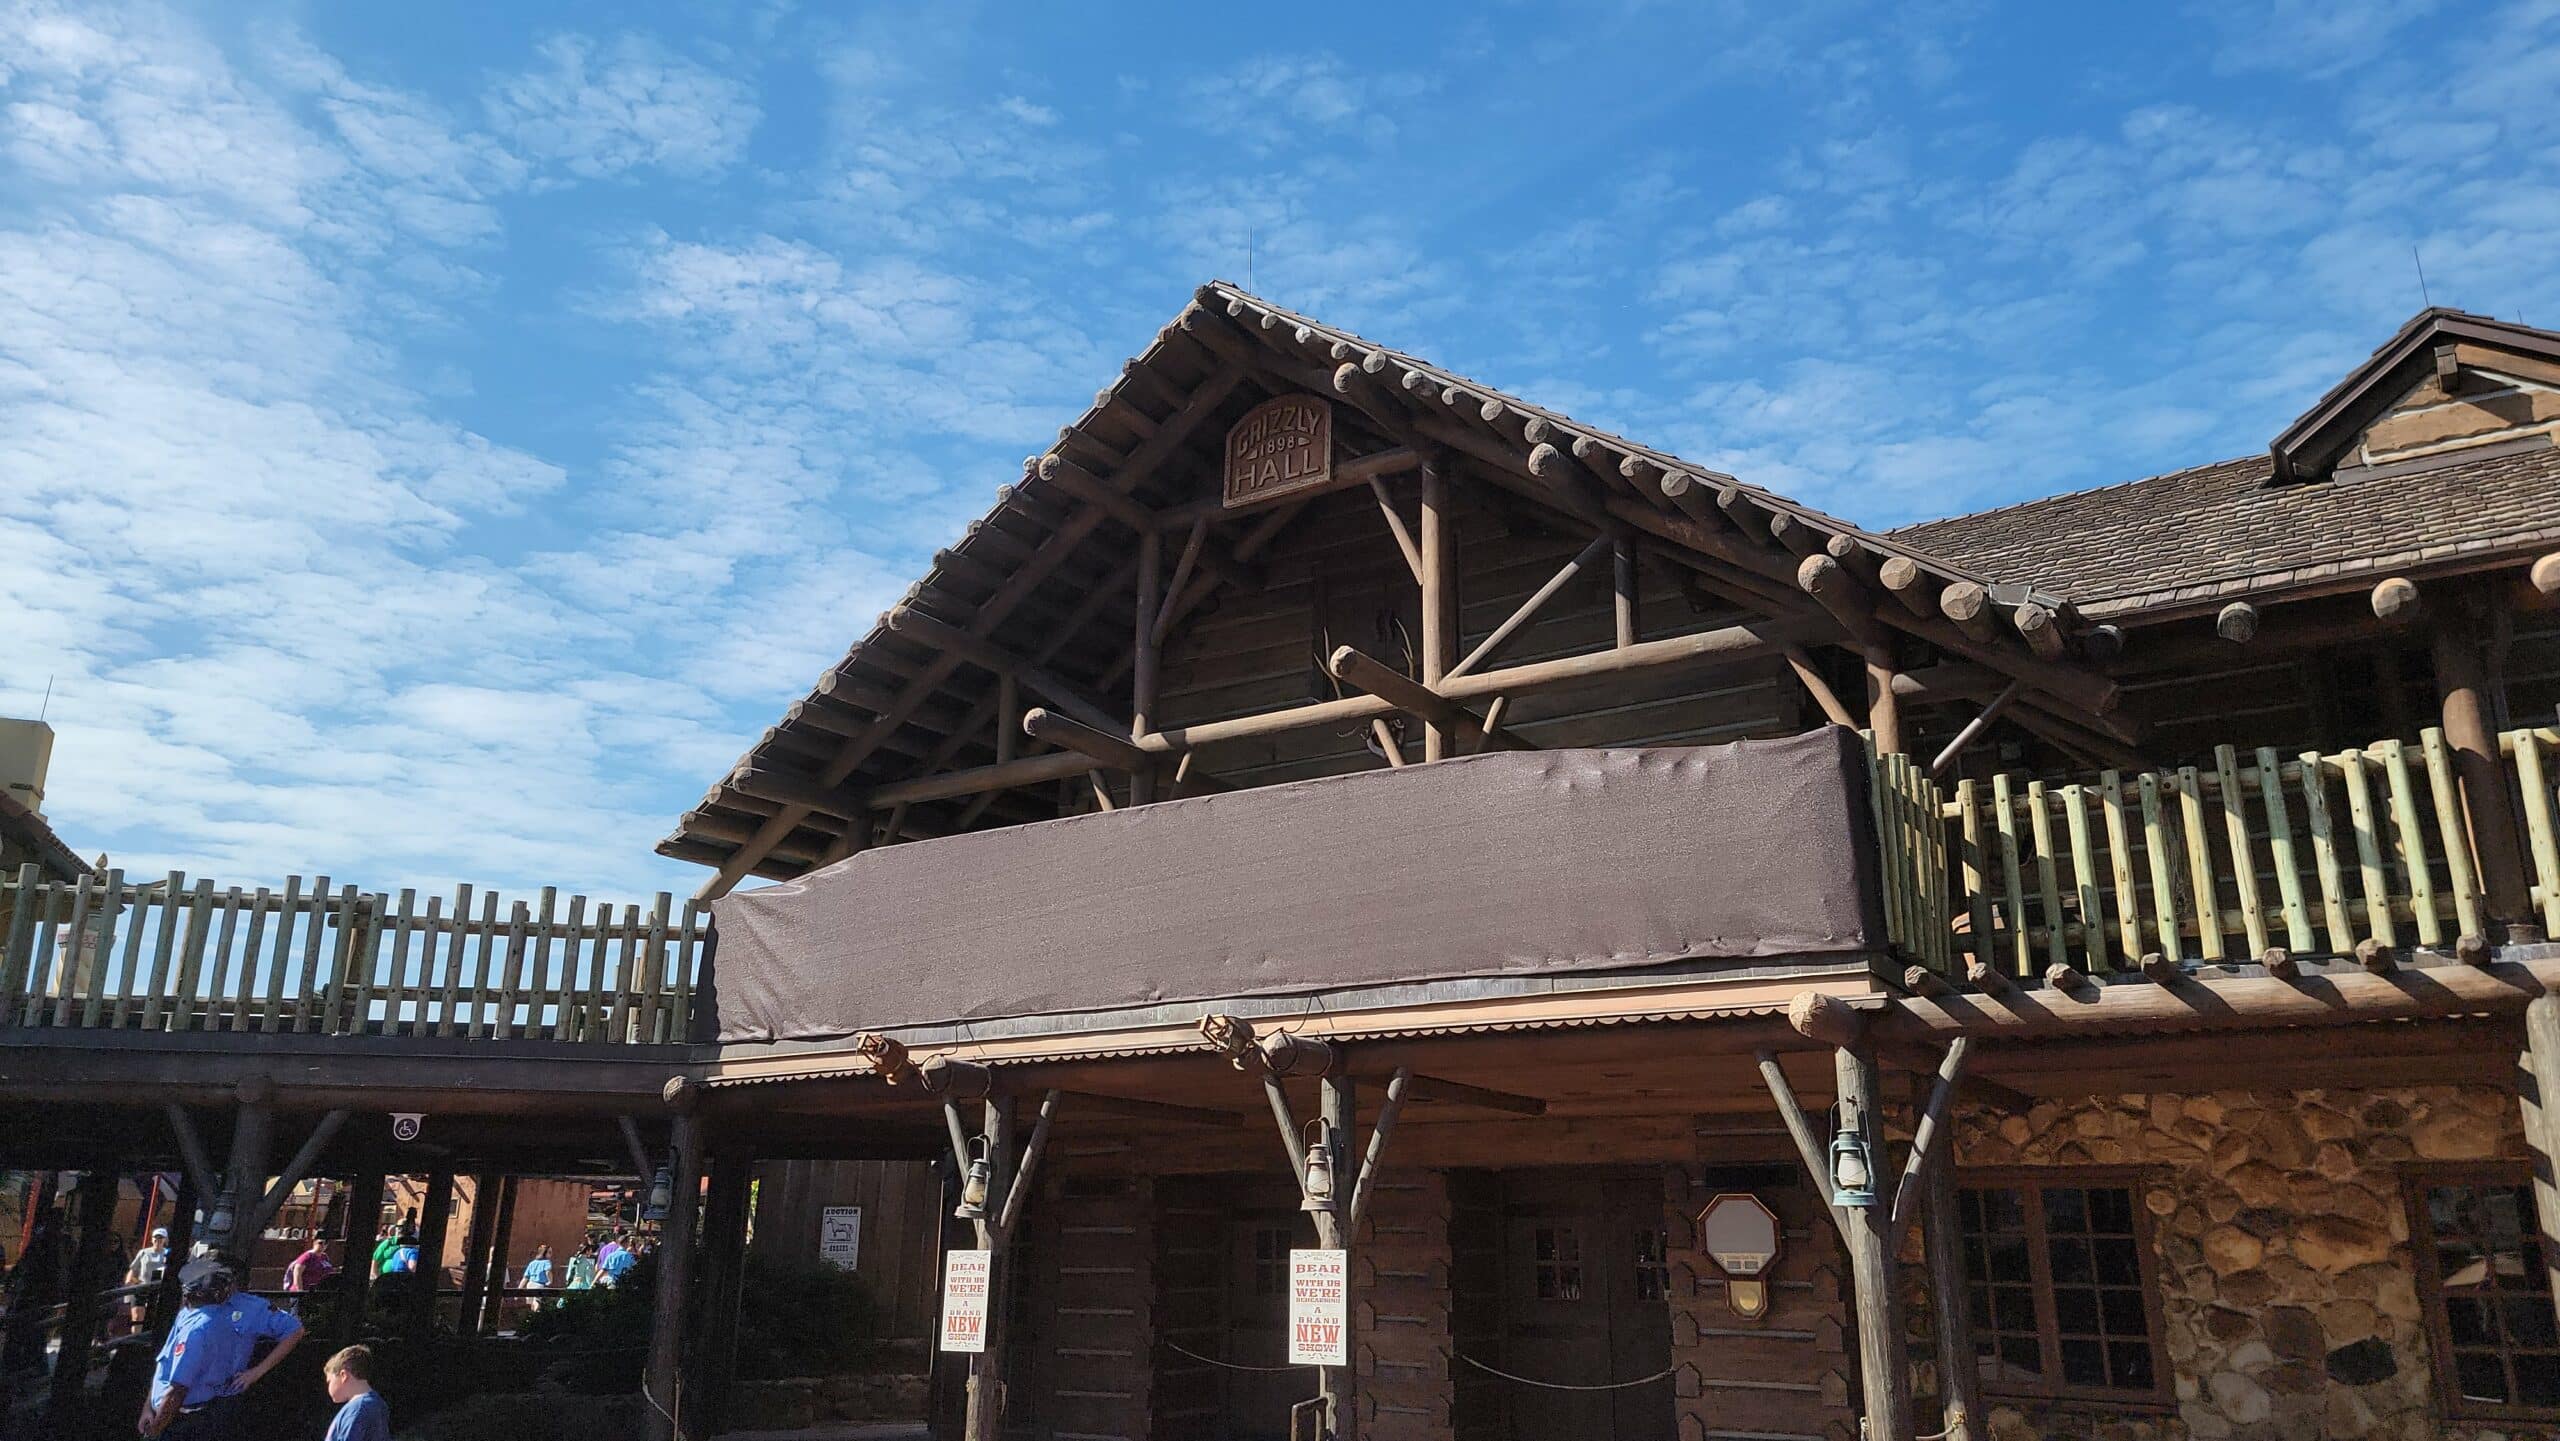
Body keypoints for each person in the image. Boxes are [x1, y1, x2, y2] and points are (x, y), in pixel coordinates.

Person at [140, 1258, 303, 1438]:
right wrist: (148, 1407)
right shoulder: (192, 1310)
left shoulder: (252, 1307)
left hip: (217, 1401)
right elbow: (166, 1361)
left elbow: (294, 1330)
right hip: (171, 1407)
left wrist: (257, 1372)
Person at [320, 1344, 390, 1441]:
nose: (328, 1386)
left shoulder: (357, 1409)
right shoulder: (377, 1403)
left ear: (343, 1375)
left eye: (329, 1381)